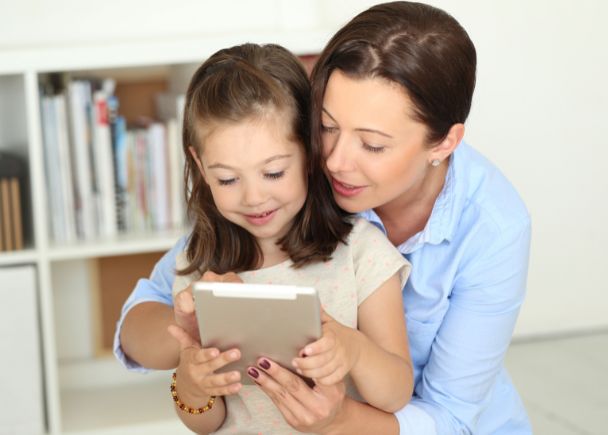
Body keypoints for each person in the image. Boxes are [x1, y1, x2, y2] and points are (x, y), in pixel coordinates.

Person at [116, 2, 532, 434]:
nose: (334, 161)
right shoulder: (268, 201)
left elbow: (447, 414)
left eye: (372, 144)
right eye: (327, 127)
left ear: (444, 144)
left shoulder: (490, 229)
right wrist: (192, 353)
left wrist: (339, 412)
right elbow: (150, 315)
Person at [116, 42, 414, 434]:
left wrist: (352, 349)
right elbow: (205, 423)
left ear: (309, 153)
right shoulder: (204, 269)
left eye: (273, 172)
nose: (253, 197)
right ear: (200, 167)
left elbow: (396, 393)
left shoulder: (360, 251)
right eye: (227, 179)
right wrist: (191, 382)